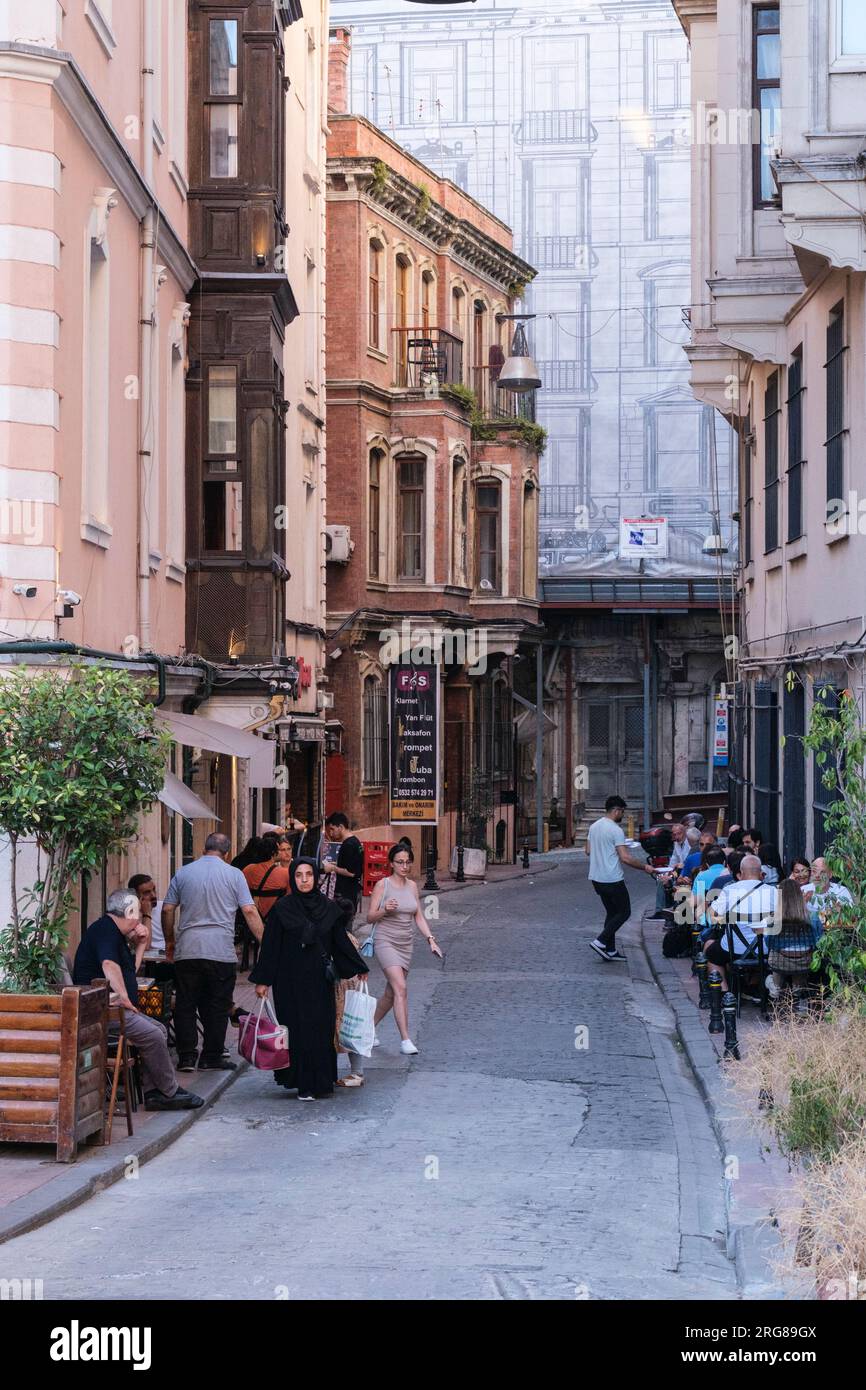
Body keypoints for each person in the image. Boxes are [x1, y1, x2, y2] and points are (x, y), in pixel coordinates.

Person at [73, 889, 203, 1111]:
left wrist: (141, 944)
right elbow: (109, 966)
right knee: (152, 1034)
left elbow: (129, 971)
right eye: (138, 915)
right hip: (102, 1010)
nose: (139, 921)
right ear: (129, 912)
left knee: (159, 1030)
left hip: (114, 1008)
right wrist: (124, 998)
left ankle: (154, 1092)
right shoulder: (106, 930)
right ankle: (169, 1091)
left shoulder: (115, 933)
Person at [250, 859, 369, 1100]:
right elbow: (271, 946)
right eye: (299, 875)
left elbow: (340, 941)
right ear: (292, 878)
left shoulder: (328, 908)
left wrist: (358, 966)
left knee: (321, 1028)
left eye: (308, 875)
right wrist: (263, 980)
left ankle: (321, 1082)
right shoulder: (282, 909)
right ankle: (303, 1083)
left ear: (315, 877)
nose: (304, 880)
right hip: (289, 981)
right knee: (297, 1031)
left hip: (319, 980)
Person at [161, 833, 265, 1073]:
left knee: (186, 1003)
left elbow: (167, 909)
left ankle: (187, 1057)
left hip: (188, 949)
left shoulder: (184, 872)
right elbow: (249, 911)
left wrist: (170, 940)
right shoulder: (234, 874)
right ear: (227, 853)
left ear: (203, 849)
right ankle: (211, 1056)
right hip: (220, 950)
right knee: (218, 1004)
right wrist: (265, 943)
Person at [367, 843, 443, 1052]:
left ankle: (368, 1028)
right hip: (386, 941)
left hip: (406, 944)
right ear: (391, 863)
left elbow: (418, 915)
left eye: (407, 862)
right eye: (400, 862)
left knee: (391, 994)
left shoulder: (411, 886)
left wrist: (430, 939)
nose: (404, 866)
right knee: (401, 988)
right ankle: (405, 1040)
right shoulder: (383, 885)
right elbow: (370, 916)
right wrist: (384, 909)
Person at [586, 794, 655, 960]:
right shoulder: (616, 830)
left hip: (596, 878)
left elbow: (588, 851)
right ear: (616, 811)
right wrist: (645, 867)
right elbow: (625, 857)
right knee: (624, 912)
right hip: (612, 878)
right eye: (622, 812)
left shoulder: (594, 826)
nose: (622, 815)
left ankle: (609, 950)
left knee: (611, 913)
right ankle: (601, 941)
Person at [703, 854, 778, 992]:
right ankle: (754, 988)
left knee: (712, 955)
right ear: (761, 873)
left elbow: (711, 916)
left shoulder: (729, 890)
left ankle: (725, 994)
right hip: (766, 950)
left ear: (741, 872)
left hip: (733, 949)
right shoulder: (773, 892)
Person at [767, 877, 819, 1003]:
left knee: (777, 954)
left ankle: (775, 987)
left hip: (780, 962)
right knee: (802, 956)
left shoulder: (773, 918)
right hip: (805, 962)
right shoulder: (813, 916)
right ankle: (799, 990)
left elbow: (769, 942)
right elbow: (818, 940)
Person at [319, 811, 365, 911]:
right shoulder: (355, 842)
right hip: (351, 891)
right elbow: (349, 864)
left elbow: (352, 873)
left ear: (340, 827)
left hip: (346, 893)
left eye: (332, 829)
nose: (331, 833)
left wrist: (333, 868)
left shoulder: (348, 845)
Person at [647, 821, 689, 920]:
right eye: (674, 834)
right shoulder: (676, 844)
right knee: (661, 878)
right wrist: (668, 873)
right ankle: (660, 910)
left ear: (684, 833)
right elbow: (673, 861)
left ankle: (663, 909)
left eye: (679, 834)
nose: (677, 836)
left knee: (668, 880)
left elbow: (687, 862)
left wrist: (674, 872)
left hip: (685, 872)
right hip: (677, 871)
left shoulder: (689, 843)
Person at [242, 837, 290, 920]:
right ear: (273, 853)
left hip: (253, 919)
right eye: (278, 850)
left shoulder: (248, 869)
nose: (280, 852)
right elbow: (290, 898)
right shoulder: (285, 873)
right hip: (275, 920)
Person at [691, 847, 727, 928]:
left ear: (707, 864)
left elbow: (696, 900)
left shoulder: (701, 876)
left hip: (706, 922)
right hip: (727, 921)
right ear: (724, 862)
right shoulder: (729, 875)